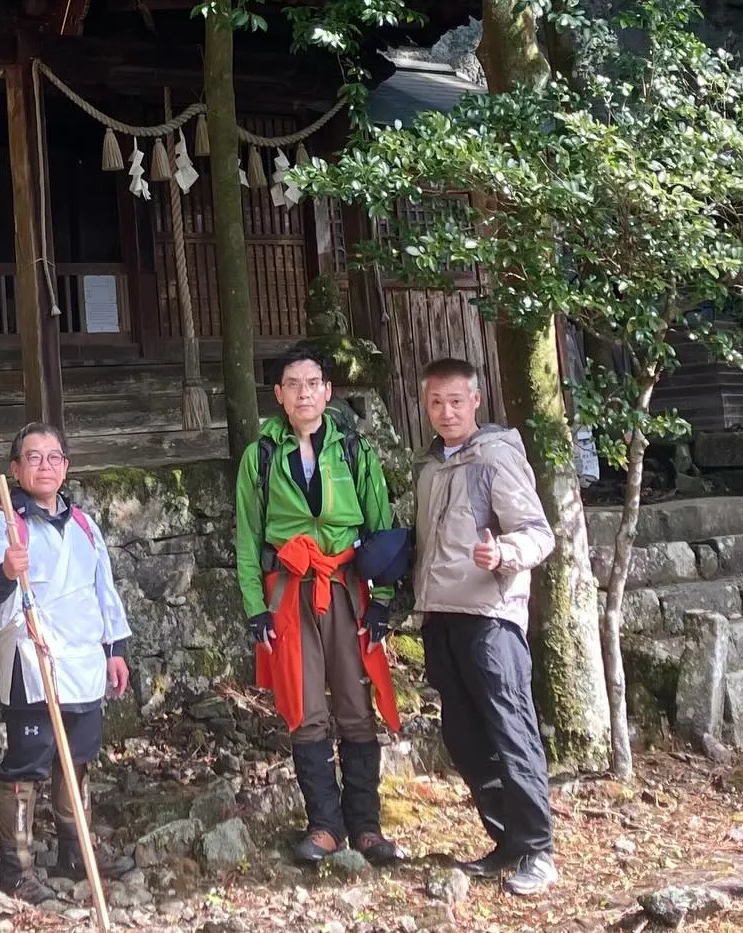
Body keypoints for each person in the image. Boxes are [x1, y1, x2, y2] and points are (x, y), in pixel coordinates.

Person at [236, 344, 401, 865]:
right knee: (304, 706)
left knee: (355, 704)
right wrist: (254, 608)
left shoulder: (354, 448)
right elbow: (246, 537)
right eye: (293, 384)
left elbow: (381, 525)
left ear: (328, 392)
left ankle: (367, 827)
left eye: (313, 383)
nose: (304, 393)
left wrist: (384, 602)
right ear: (279, 395)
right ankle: (325, 826)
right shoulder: (260, 454)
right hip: (289, 590)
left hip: (347, 585)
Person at [0, 422, 131, 904]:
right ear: (15, 469)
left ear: (66, 467)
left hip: (82, 658)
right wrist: (5, 573)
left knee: (76, 759)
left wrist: (115, 650)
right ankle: (17, 867)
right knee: (27, 764)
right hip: (32, 659)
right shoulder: (4, 524)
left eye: (54, 457)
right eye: (33, 458)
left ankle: (75, 854)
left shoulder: (84, 525)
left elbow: (105, 591)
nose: (45, 466)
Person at [415, 357, 559, 897]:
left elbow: (539, 534)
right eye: (435, 402)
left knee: (510, 729)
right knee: (465, 736)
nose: (446, 412)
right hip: (441, 615)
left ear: (476, 400)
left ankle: (539, 851)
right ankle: (507, 840)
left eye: (456, 401)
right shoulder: (427, 466)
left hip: (491, 618)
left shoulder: (497, 458)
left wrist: (503, 553)